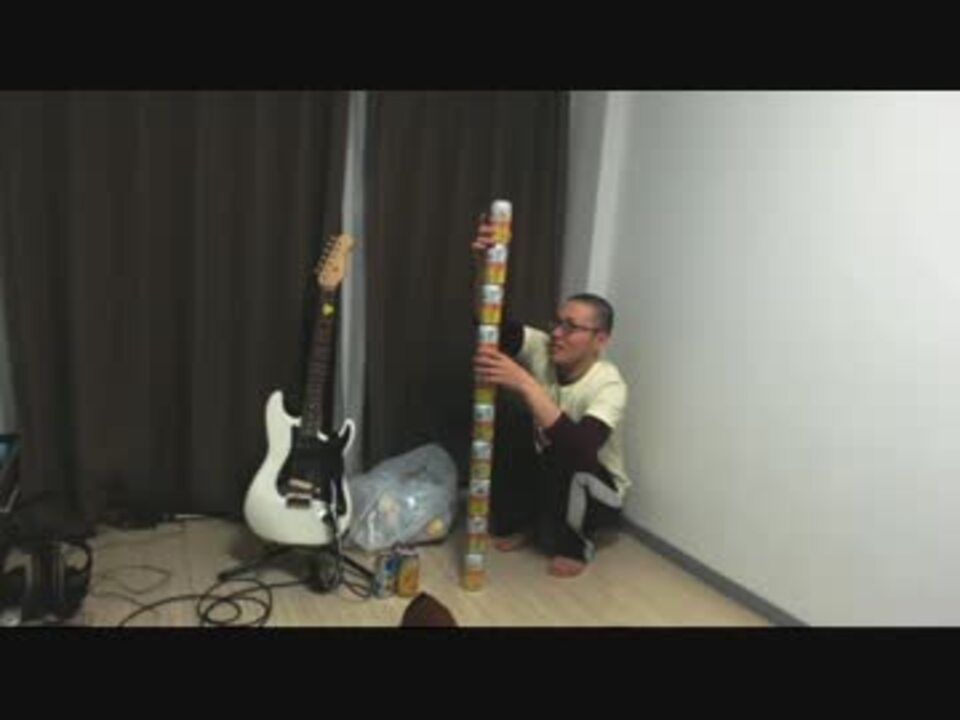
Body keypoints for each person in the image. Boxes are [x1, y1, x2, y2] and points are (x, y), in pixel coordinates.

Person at [471, 220, 630, 578]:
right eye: (557, 323)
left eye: (571, 327)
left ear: (600, 340)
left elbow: (582, 449)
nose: (557, 333)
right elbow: (492, 325)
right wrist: (485, 267)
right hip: (555, 472)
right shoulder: (544, 346)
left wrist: (526, 383)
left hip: (599, 491)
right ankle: (528, 523)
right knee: (512, 421)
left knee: (568, 448)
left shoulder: (609, 384)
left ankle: (578, 545)